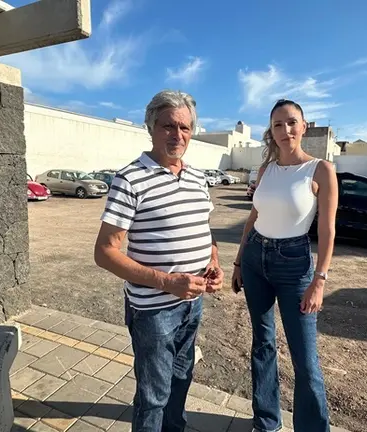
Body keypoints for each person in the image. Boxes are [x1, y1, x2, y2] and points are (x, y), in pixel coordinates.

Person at [93, 90, 224, 432]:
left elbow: (204, 229)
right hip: (153, 310)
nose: (177, 135)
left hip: (192, 303)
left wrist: (213, 261)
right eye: (168, 126)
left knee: (181, 381)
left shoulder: (198, 178)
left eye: (185, 127)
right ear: (150, 127)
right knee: (153, 395)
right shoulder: (130, 179)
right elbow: (104, 251)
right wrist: (167, 282)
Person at [231, 99, 338, 432]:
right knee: (262, 344)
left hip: (295, 265)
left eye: (291, 122)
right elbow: (254, 217)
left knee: (305, 359)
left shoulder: (321, 170)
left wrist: (319, 280)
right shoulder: (266, 170)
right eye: (278, 124)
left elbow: (327, 230)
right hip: (255, 259)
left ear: (303, 127)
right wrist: (238, 261)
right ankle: (267, 422)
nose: (285, 130)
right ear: (271, 130)